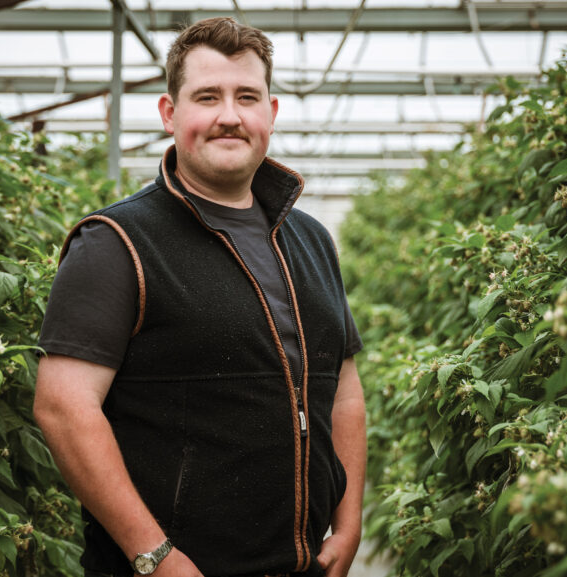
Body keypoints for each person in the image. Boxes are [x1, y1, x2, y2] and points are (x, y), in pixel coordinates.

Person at [34, 17, 366, 577]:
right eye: (207, 96)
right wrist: (157, 557)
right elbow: (63, 408)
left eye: (247, 97)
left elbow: (344, 391)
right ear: (170, 113)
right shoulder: (117, 243)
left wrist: (350, 521)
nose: (229, 116)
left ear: (271, 113)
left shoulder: (309, 239)